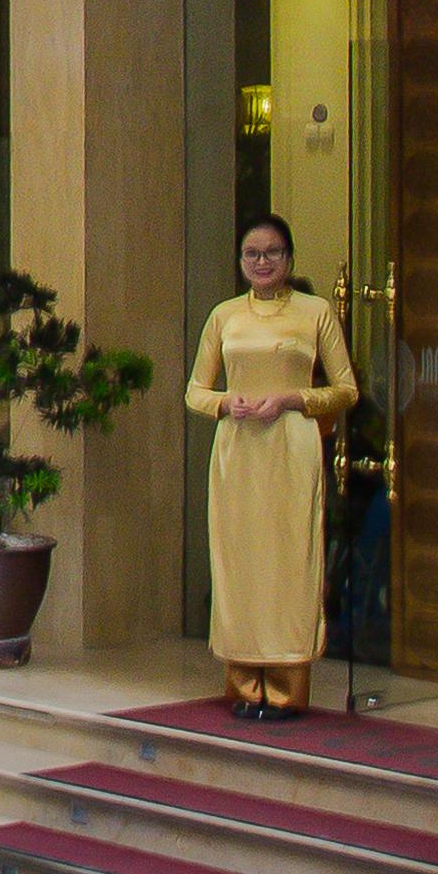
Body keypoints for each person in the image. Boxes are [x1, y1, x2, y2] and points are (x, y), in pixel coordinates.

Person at [187, 214, 361, 718]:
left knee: (289, 562)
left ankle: (287, 687)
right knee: (239, 563)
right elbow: (195, 391)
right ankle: (242, 685)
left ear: (289, 259)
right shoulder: (224, 316)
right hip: (238, 451)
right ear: (241, 261)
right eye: (252, 254)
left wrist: (292, 397)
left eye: (272, 253)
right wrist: (225, 403)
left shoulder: (316, 312)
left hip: (291, 447)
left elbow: (346, 388)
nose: (262, 263)